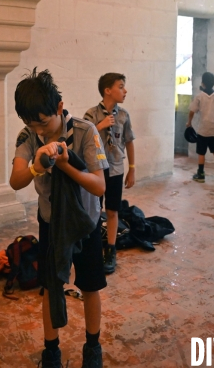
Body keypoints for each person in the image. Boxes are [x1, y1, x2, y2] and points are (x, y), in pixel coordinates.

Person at [10, 69, 108, 368]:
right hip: (51, 223)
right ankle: (51, 350)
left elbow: (99, 185)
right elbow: (16, 180)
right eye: (31, 123)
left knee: (90, 286)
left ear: (59, 107)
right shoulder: (29, 136)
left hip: (86, 223)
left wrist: (64, 165)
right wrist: (38, 166)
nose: (39, 129)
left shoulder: (85, 131)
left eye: (43, 122)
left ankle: (92, 347)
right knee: (51, 286)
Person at [83, 73, 135, 275]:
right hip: (96, 170)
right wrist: (99, 127)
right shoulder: (91, 115)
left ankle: (110, 250)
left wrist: (132, 168)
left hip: (115, 169)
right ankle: (92, 247)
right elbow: (82, 141)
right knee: (94, 210)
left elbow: (129, 141)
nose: (125, 91)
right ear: (108, 90)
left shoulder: (123, 115)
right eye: (121, 86)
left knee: (112, 210)